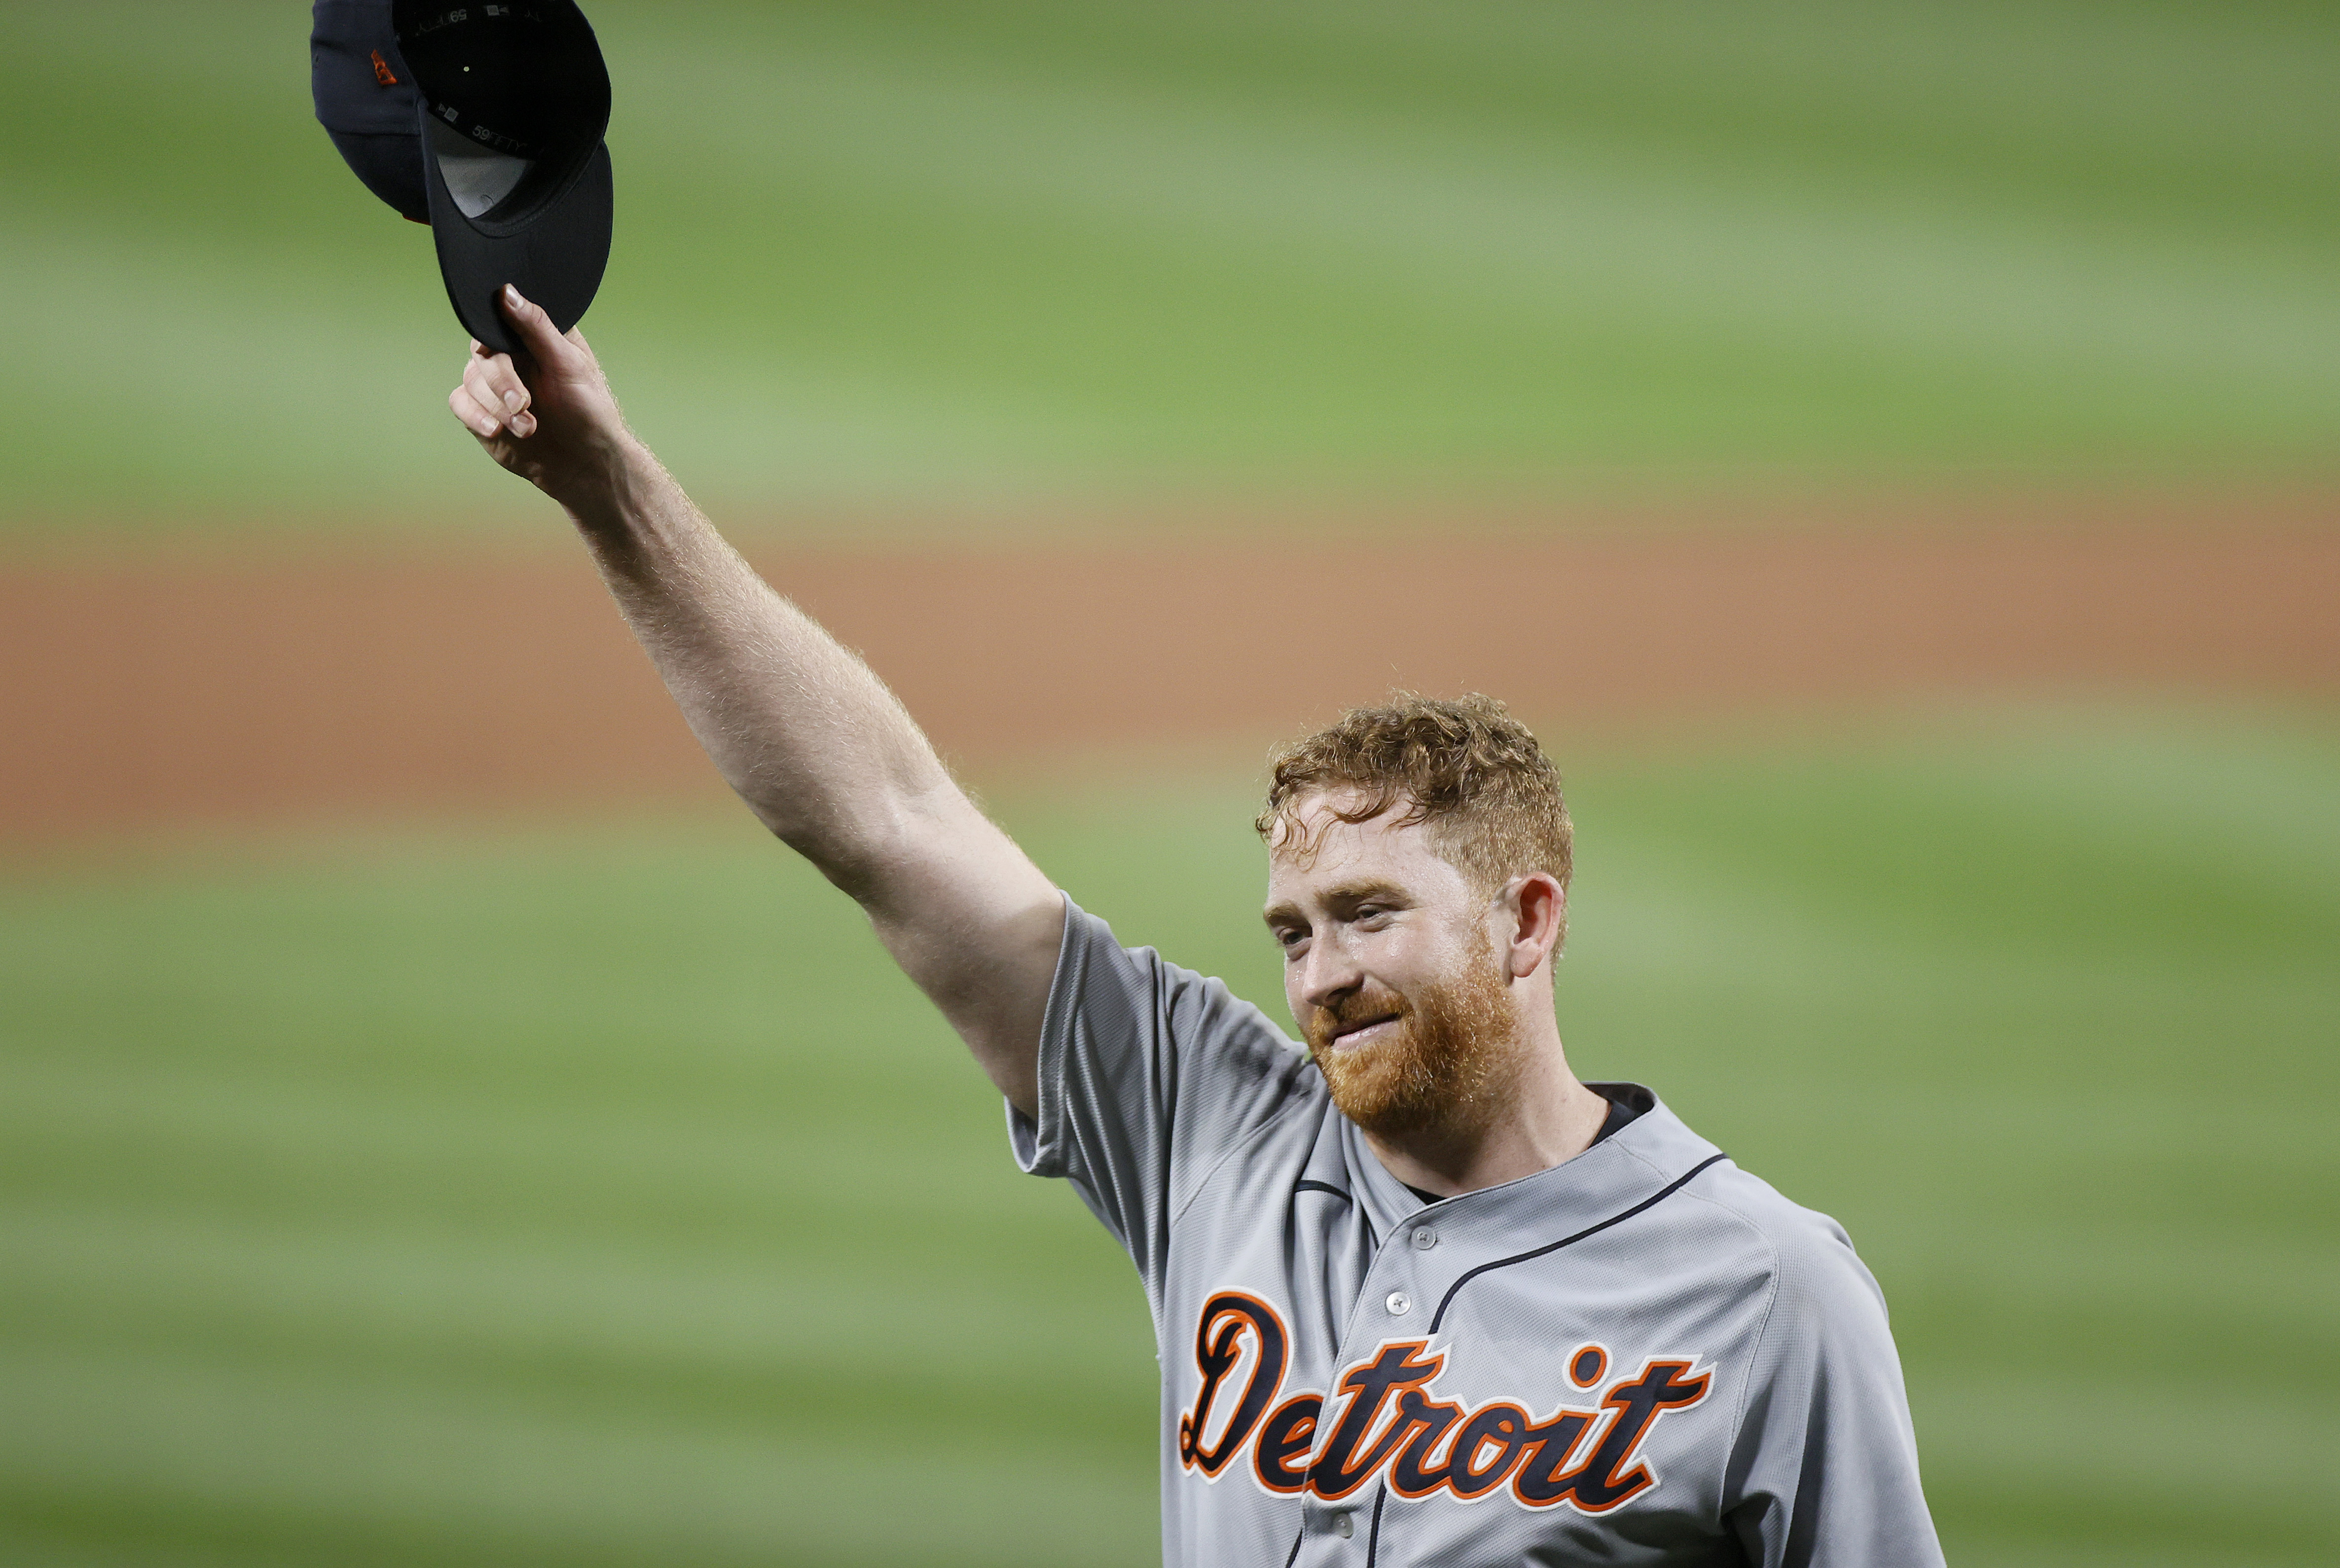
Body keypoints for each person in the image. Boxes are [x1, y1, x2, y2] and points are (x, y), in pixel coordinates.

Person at [448, 285, 1947, 1567]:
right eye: (1292, 931)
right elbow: (886, 823)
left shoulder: (1766, 1290)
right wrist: (610, 489)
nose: (1322, 975)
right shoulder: (1210, 1135)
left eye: (1367, 914)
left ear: (1527, 919)